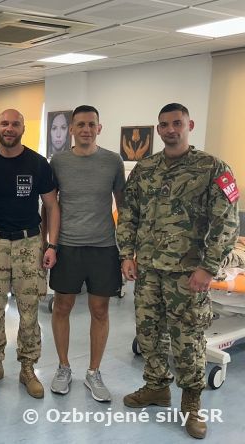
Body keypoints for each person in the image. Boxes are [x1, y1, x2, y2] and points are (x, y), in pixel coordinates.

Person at [117, 103, 239, 439]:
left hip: (188, 275)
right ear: (158, 129)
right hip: (148, 271)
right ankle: (156, 386)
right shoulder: (145, 168)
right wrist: (127, 254)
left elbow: (226, 222)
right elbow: (129, 214)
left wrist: (208, 268)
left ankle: (192, 404)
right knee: (149, 333)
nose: (170, 129)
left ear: (189, 125)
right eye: (164, 125)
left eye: (177, 123)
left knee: (188, 340)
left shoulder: (212, 168)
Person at [0, 108, 60, 398]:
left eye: (15, 124)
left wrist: (51, 245)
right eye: (4, 123)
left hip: (29, 244)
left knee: (30, 310)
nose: (9, 128)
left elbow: (52, 206)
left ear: (23, 128)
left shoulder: (38, 163)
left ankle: (28, 368)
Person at [48, 105, 125, 402]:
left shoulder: (113, 161)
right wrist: (49, 243)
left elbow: (123, 206)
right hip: (67, 246)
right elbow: (50, 206)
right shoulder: (58, 161)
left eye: (91, 124)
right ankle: (63, 367)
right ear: (71, 129)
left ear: (99, 128)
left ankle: (94, 372)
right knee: (62, 307)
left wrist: (127, 250)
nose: (86, 129)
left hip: (103, 247)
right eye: (80, 124)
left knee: (100, 310)